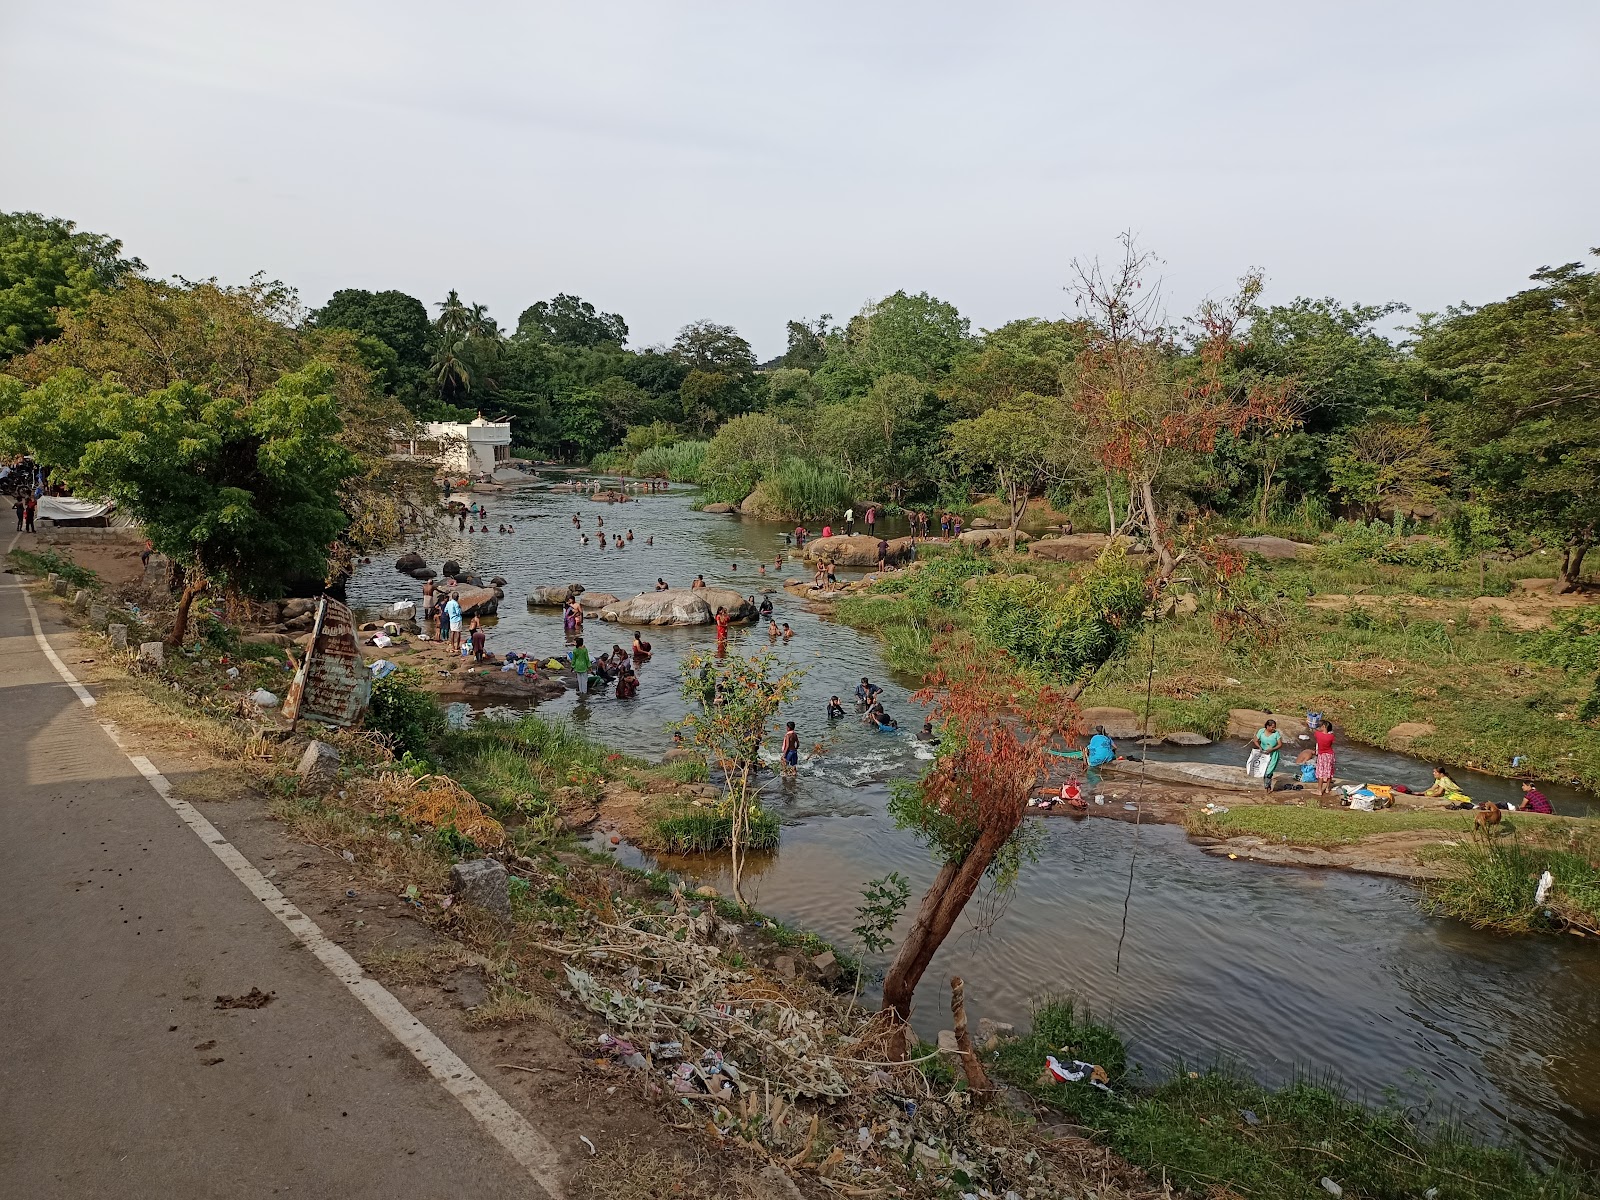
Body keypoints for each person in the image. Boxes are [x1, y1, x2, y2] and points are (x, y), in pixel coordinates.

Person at [1250, 720, 1283, 792]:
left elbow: (1280, 744)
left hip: (1273, 755)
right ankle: (1267, 786)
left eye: (1274, 727)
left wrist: (1272, 749)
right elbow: (1255, 740)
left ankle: (1267, 787)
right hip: (1263, 755)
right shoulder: (1261, 731)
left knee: (1268, 772)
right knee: (1263, 771)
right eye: (1272, 727)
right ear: (1267, 726)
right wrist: (1259, 747)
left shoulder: (1276, 734)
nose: (1274, 729)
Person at [1313, 720, 1336, 796]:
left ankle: (1319, 790)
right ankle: (1327, 788)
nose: (1318, 728)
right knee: (1329, 771)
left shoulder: (1318, 735)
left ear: (1323, 727)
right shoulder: (1331, 736)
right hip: (1330, 755)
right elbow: (1332, 740)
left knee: (1320, 773)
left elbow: (1314, 730)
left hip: (1322, 755)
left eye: (1320, 726)